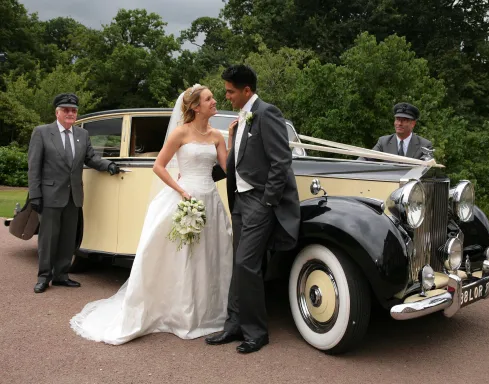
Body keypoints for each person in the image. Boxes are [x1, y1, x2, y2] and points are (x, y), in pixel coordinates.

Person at [69, 85, 233, 345]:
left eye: (213, 97)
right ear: (194, 106)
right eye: (209, 98)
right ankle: (180, 313)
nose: (215, 101)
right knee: (183, 257)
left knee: (210, 254)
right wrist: (181, 191)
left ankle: (210, 312)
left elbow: (228, 167)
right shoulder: (180, 132)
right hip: (185, 198)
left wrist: (233, 140)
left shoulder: (216, 136)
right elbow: (159, 166)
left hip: (210, 201)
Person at [205, 64, 300, 354]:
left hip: (260, 202)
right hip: (240, 201)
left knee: (248, 263)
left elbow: (281, 161)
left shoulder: (267, 113)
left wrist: (268, 200)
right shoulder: (242, 116)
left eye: (231, 91)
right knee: (239, 263)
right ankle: (234, 323)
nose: (227, 96)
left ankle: (257, 332)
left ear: (247, 91)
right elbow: (241, 159)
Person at [28, 93, 120, 294]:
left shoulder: (81, 135)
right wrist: (35, 195)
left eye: (74, 110)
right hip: (49, 196)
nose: (71, 113)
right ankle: (44, 277)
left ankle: (61, 275)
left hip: (74, 196)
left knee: (68, 238)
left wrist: (109, 165)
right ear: (57, 112)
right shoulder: (42, 132)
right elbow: (34, 167)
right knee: (48, 239)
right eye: (66, 110)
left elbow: (91, 158)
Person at [358, 102, 433, 161]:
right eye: (397, 119)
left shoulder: (425, 145)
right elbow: (366, 158)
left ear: (413, 124)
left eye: (404, 120)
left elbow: (427, 167)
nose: (399, 124)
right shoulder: (383, 142)